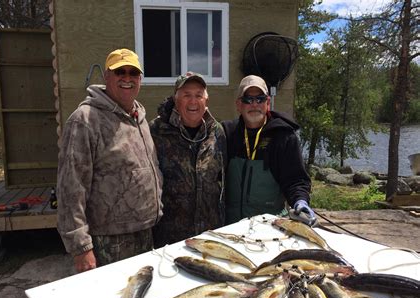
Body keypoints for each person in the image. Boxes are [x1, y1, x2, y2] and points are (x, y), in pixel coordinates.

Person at [57, 48, 163, 273]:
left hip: (145, 232)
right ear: (107, 76)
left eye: (133, 73)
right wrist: (81, 247)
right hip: (109, 241)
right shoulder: (85, 120)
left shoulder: (140, 118)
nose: (127, 78)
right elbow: (71, 188)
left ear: (140, 79)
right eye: (120, 72)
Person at [223, 75, 315, 225]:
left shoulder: (284, 136)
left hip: (271, 226)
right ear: (238, 104)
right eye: (248, 99)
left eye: (260, 99)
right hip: (230, 226)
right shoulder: (226, 133)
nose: (254, 104)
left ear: (268, 103)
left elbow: (296, 180)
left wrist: (300, 202)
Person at [150, 72, 226, 248]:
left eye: (198, 95)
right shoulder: (156, 131)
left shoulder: (217, 132)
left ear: (206, 100)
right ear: (176, 99)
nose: (193, 101)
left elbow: (223, 180)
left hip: (210, 236)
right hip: (170, 239)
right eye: (186, 95)